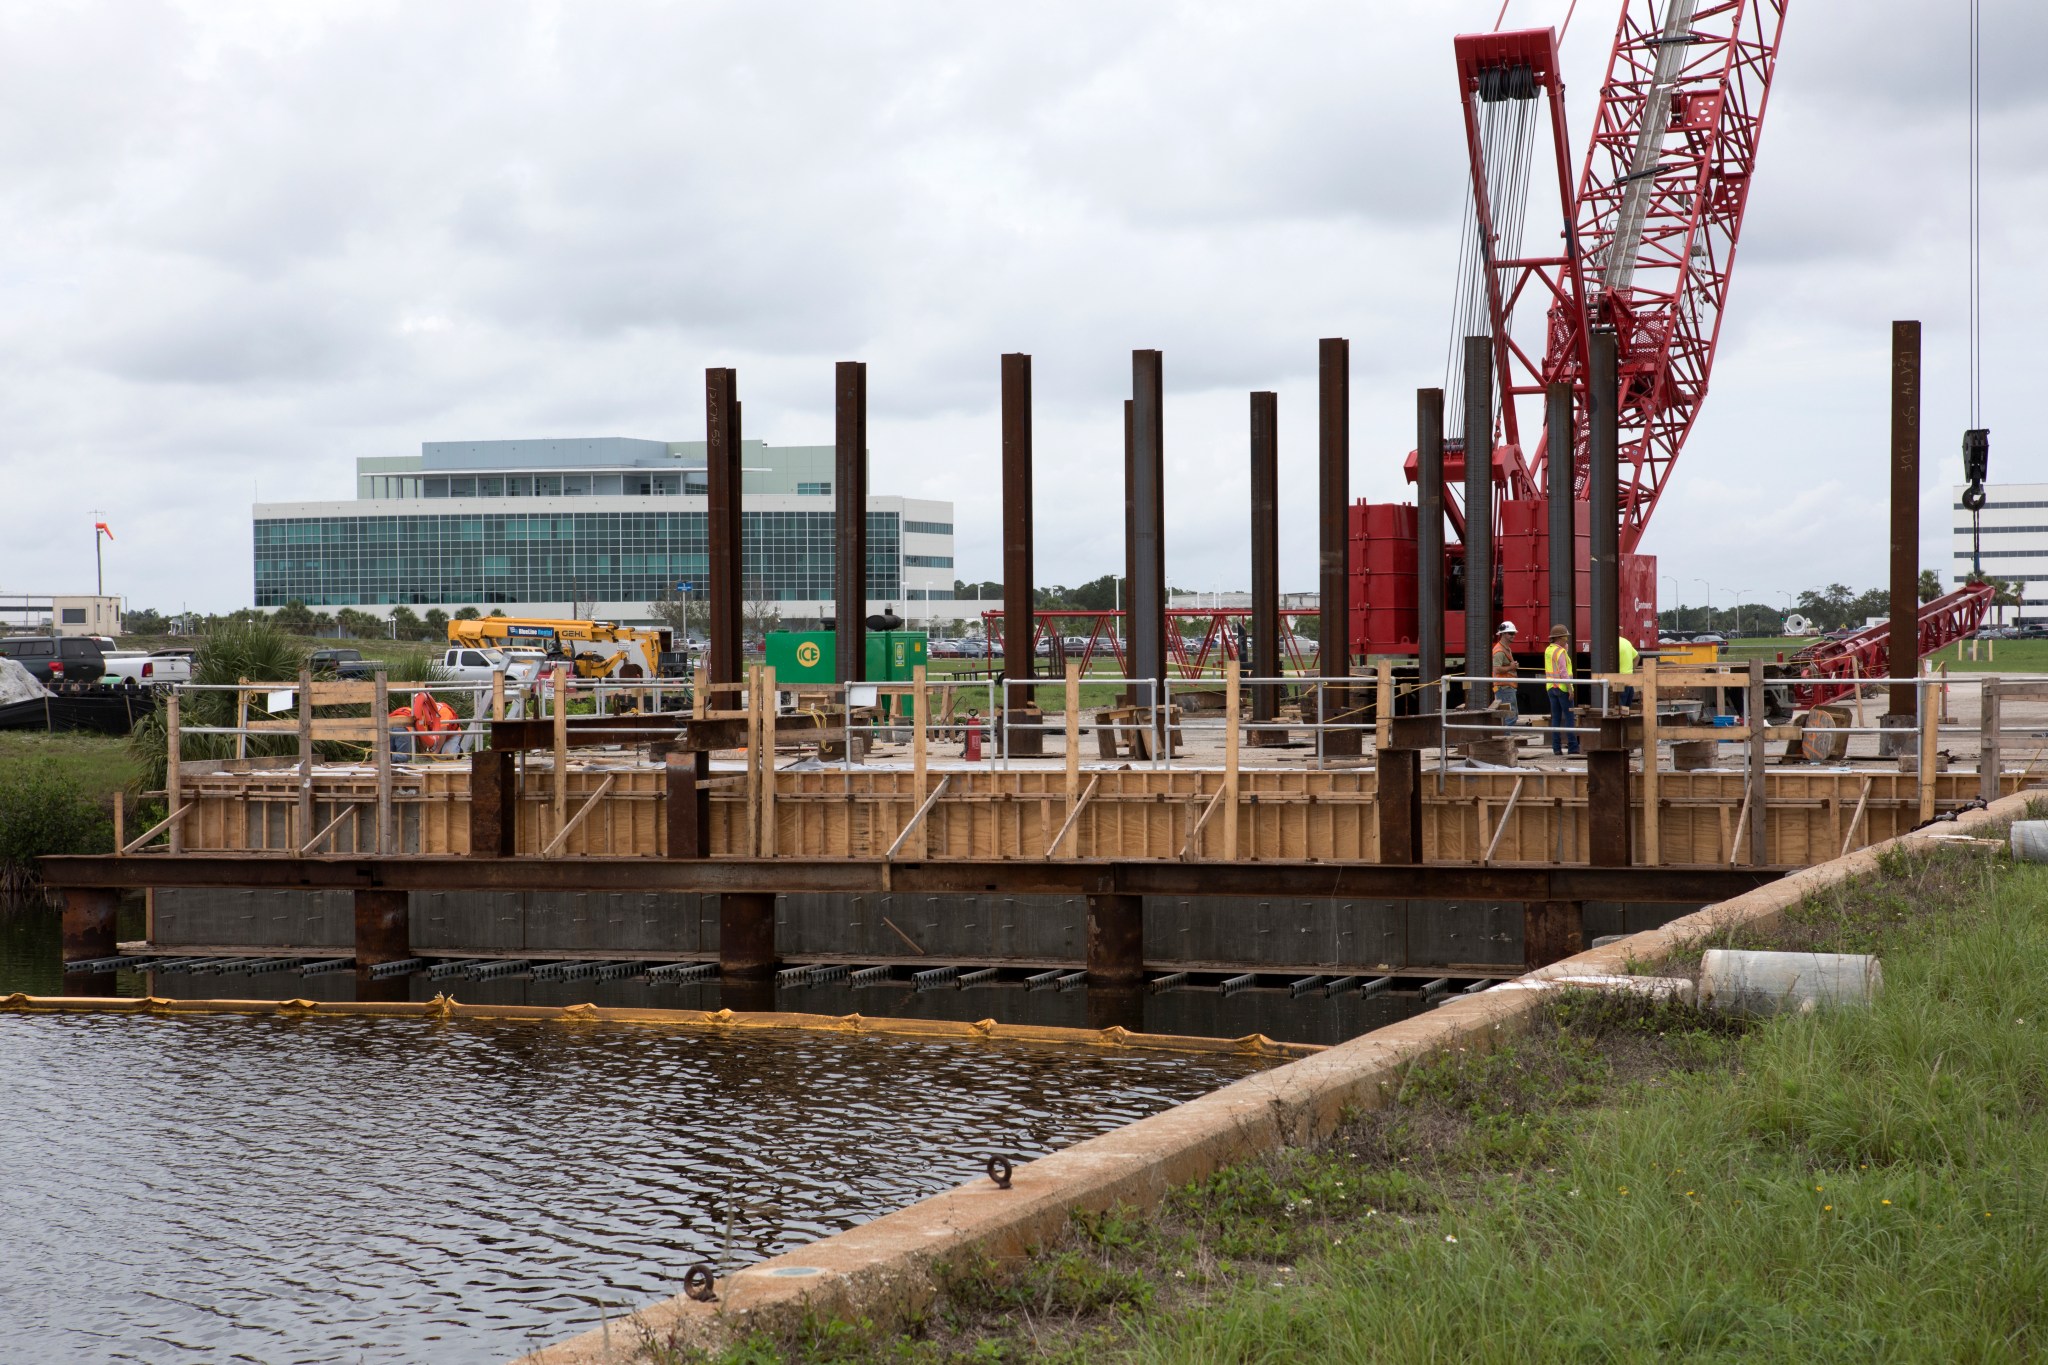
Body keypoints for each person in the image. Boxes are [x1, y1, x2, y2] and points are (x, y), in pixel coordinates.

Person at [1545, 623, 1580, 756]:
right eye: (1565, 637)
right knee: (1569, 717)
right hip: (1563, 688)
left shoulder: (1548, 650)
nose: (1567, 639)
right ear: (1560, 638)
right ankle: (1572, 747)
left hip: (1551, 687)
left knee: (1556, 718)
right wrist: (1570, 689)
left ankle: (1556, 748)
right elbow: (1563, 672)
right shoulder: (1560, 652)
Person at [1490, 622, 1519, 725]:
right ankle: (1506, 738)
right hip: (1504, 687)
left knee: (1512, 715)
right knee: (1509, 717)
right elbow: (1496, 669)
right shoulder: (1499, 651)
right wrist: (1511, 667)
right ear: (1502, 634)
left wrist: (1512, 666)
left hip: (1507, 687)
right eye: (1510, 633)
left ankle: (1506, 738)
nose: (1513, 636)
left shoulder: (1506, 648)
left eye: (1514, 633)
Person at [1617, 633, 1640, 710]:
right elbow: (1637, 657)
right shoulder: (1626, 642)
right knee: (1626, 710)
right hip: (1630, 680)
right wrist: (1632, 670)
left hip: (1619, 681)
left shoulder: (1613, 644)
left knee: (1620, 710)